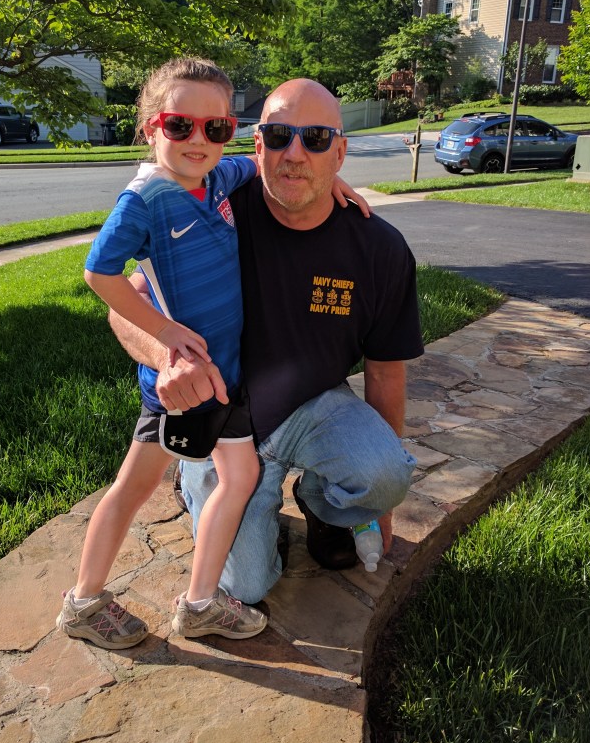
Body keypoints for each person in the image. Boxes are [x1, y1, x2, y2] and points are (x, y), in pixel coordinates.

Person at [58, 60, 366, 648]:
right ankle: (83, 602)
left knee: (240, 475)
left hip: (228, 381)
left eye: (216, 127)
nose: (198, 140)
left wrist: (332, 181)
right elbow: (100, 273)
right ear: (151, 127)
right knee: (133, 489)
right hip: (185, 390)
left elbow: (267, 167)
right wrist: (165, 334)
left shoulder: (219, 178)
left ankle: (200, 603)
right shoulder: (145, 200)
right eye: (180, 125)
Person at [109, 77, 424, 607]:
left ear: (341, 152)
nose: (295, 154)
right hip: (222, 417)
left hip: (311, 405)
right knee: (243, 587)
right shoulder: (214, 207)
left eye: (316, 139)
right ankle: (201, 480)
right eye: (279, 136)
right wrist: (167, 357)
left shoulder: (379, 249)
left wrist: (377, 506)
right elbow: (126, 303)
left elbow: (385, 371)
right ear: (257, 147)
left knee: (386, 476)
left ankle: (321, 504)